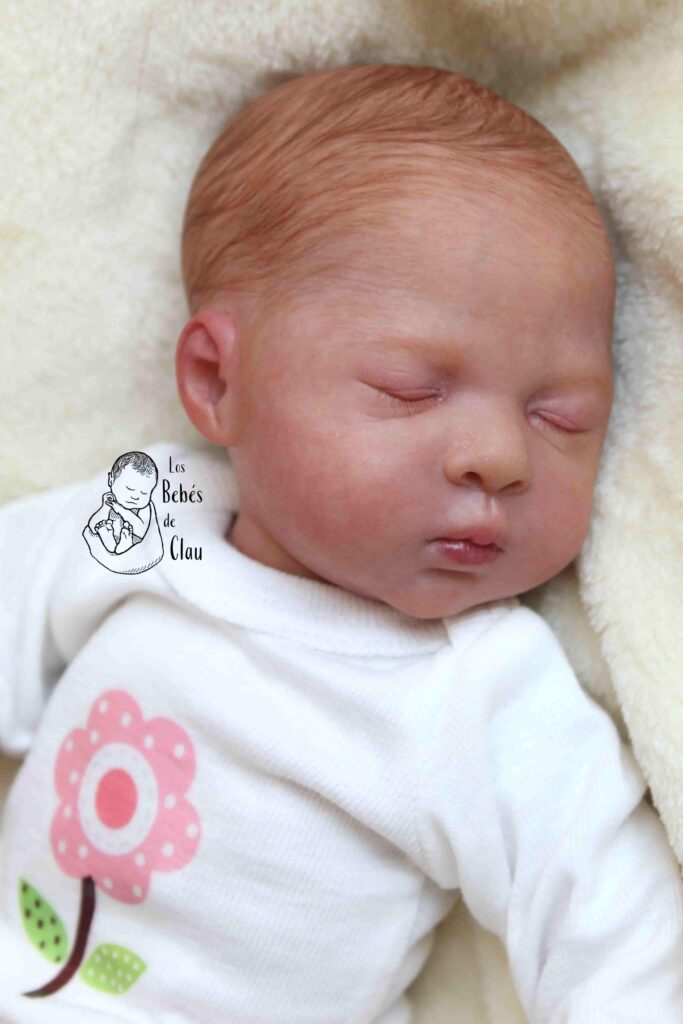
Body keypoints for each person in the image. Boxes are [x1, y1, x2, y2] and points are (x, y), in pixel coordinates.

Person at [0, 63, 681, 1022]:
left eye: (559, 417)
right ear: (217, 381)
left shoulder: (479, 691)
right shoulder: (149, 520)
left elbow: (616, 936)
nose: (500, 457)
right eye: (411, 390)